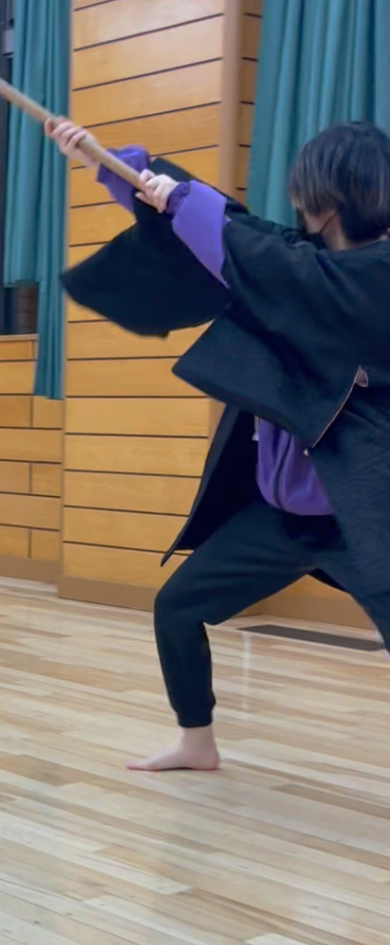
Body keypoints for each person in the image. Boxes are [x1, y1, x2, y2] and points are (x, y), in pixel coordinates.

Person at [49, 118, 390, 771]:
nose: (297, 205)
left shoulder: (372, 275)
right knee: (178, 606)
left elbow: (259, 257)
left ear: (331, 196)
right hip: (282, 517)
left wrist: (180, 200)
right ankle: (196, 742)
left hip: (364, 514)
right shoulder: (301, 260)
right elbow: (236, 238)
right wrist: (123, 169)